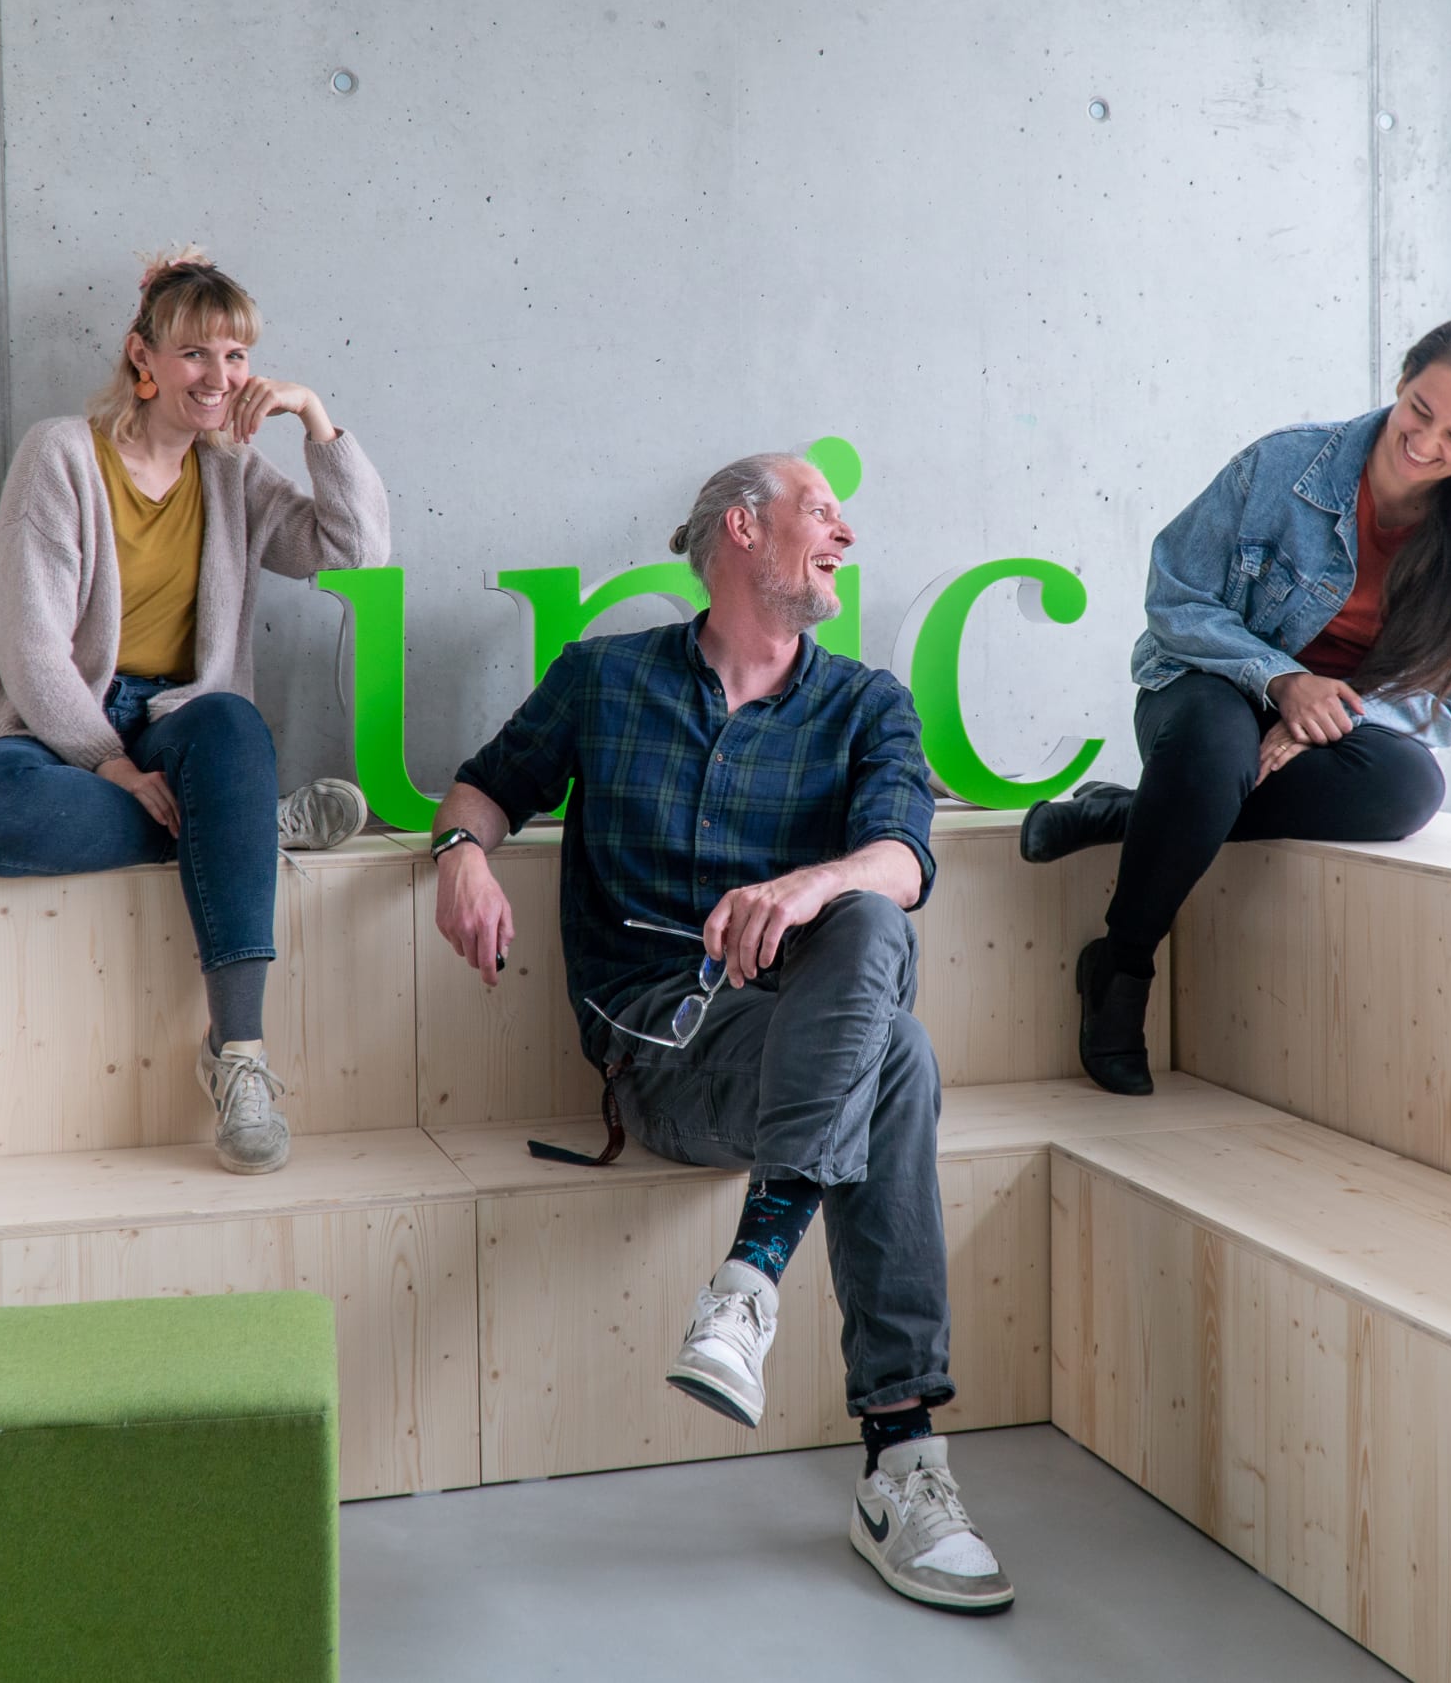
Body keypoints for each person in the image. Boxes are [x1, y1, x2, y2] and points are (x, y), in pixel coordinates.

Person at [428, 452, 1016, 1614]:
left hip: (800, 1022)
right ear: (741, 529)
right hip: (661, 1052)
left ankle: (750, 1281)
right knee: (896, 1056)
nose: (844, 536)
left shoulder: (866, 705)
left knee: (866, 931)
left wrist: (804, 889)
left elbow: (903, 857)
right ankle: (900, 1460)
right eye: (821, 512)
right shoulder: (604, 680)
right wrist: (461, 858)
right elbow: (484, 787)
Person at [1025, 314, 1451, 1094]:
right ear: (1402, 381)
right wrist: (1281, 681)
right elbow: (1176, 594)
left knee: (1409, 789)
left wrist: (1330, 720)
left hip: (1337, 733)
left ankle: (1123, 815)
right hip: (1211, 689)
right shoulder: (1287, 466)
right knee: (1212, 744)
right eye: (1420, 412)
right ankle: (1122, 965)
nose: (1427, 443)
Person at [0, 248, 390, 1174]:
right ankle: (249, 824)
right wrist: (109, 760)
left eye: (236, 358)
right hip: (63, 726)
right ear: (142, 358)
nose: (218, 379)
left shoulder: (234, 471)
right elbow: (30, 651)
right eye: (194, 355)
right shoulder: (61, 454)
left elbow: (357, 555)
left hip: (185, 722)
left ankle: (241, 1055)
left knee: (230, 724)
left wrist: (316, 421)